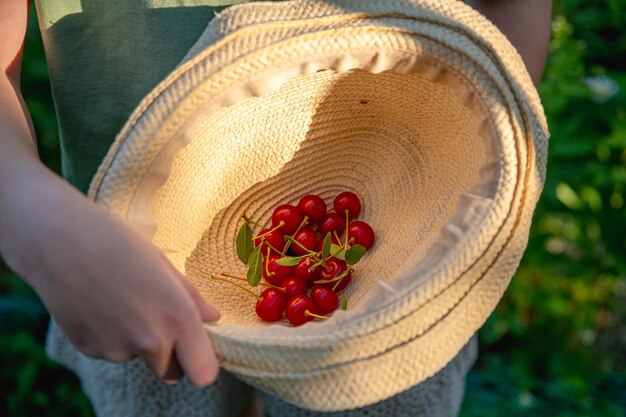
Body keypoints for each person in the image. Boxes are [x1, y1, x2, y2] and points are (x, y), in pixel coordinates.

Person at [0, 0, 552, 416]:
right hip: (123, 257)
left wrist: (474, 160)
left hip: (410, 266)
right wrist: (34, 212)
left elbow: (506, 16)